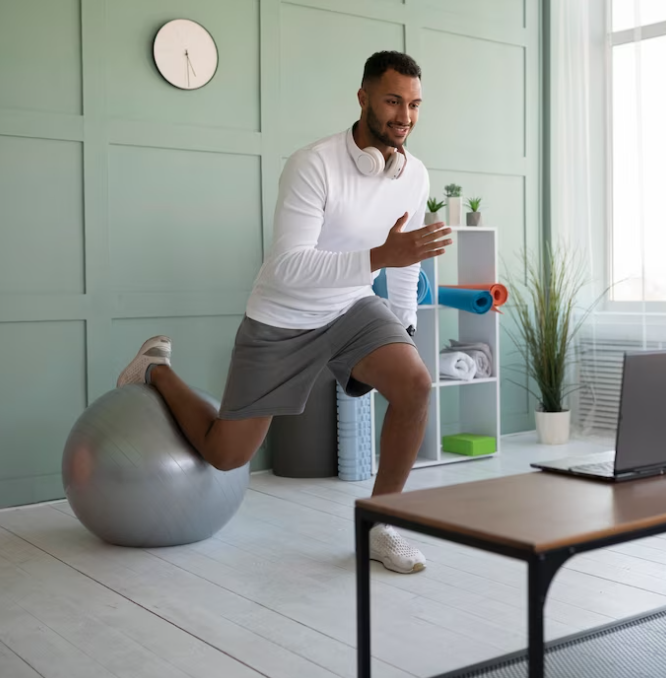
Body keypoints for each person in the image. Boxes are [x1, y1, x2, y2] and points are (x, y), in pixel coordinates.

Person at [116, 51, 451, 575]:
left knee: (416, 385)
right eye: (392, 101)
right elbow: (289, 267)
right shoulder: (312, 164)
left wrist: (403, 324)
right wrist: (382, 257)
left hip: (352, 307)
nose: (404, 116)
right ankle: (154, 370)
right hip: (283, 315)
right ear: (363, 98)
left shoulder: (414, 175)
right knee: (226, 454)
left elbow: (405, 260)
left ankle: (381, 525)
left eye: (413, 104)